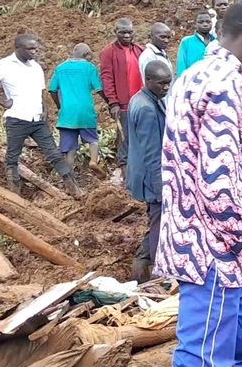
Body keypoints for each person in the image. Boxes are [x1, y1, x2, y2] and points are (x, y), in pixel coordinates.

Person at [157, 1, 242, 365]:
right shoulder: (228, 85)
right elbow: (219, 187)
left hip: (203, 243)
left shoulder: (192, 76)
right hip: (212, 251)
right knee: (205, 356)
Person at [0, 35, 83, 196]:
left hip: (37, 119)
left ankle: (74, 189)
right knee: (12, 157)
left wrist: (45, 109)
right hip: (17, 119)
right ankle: (15, 196)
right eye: (30, 49)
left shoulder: (36, 67)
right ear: (18, 48)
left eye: (35, 48)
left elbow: (40, 91)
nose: (34, 52)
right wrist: (3, 102)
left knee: (54, 153)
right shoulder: (5, 65)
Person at [125, 60, 171, 282]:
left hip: (145, 174)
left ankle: (141, 266)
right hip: (150, 177)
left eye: (169, 83)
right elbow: (152, 154)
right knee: (159, 223)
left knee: (156, 220)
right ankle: (156, 273)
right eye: (162, 83)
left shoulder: (145, 99)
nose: (166, 88)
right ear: (148, 80)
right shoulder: (146, 108)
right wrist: (161, 189)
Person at [48, 44, 104, 176]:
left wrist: (59, 105)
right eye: (90, 54)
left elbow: (52, 90)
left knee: (70, 148)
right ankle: (93, 161)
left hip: (67, 113)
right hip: (85, 111)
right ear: (86, 55)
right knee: (92, 139)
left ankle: (70, 176)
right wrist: (110, 102)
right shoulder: (89, 67)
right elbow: (99, 89)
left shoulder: (60, 68)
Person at [100, 19, 144, 177]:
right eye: (122, 32)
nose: (126, 35)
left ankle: (139, 172)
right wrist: (113, 102)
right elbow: (107, 78)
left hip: (141, 103)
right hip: (123, 105)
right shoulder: (108, 52)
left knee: (141, 137)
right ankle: (126, 175)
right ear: (115, 32)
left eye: (129, 32)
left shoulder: (139, 49)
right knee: (125, 139)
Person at [176, 10, 216, 77]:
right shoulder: (186, 42)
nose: (205, 24)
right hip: (192, 82)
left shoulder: (215, 42)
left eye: (208, 22)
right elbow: (181, 65)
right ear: (195, 24)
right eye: (201, 22)